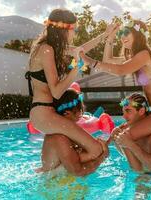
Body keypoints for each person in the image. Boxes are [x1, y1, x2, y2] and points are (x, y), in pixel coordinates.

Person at [25, 9, 115, 162]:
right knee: (96, 149)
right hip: (43, 113)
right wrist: (76, 70)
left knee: (86, 150)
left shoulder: (51, 48)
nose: (74, 34)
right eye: (74, 29)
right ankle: (57, 172)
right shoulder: (46, 50)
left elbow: (81, 50)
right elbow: (57, 92)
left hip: (48, 112)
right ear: (64, 29)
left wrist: (105, 35)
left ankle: (55, 171)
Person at [79, 18, 151, 142]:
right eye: (121, 33)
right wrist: (110, 38)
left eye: (126, 32)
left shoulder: (145, 55)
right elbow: (107, 61)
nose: (122, 36)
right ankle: (136, 161)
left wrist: (90, 61)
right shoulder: (135, 57)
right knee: (117, 135)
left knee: (124, 137)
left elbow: (120, 70)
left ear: (138, 34)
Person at [36, 89, 109, 176]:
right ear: (67, 113)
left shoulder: (63, 134)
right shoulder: (59, 138)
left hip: (61, 184)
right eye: (80, 110)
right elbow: (78, 172)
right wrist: (102, 157)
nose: (81, 114)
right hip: (59, 187)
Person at [111, 93, 151, 175]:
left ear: (141, 111)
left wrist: (130, 144)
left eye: (128, 111)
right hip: (142, 178)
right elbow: (131, 156)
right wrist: (118, 141)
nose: (124, 116)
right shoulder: (130, 132)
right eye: (123, 112)